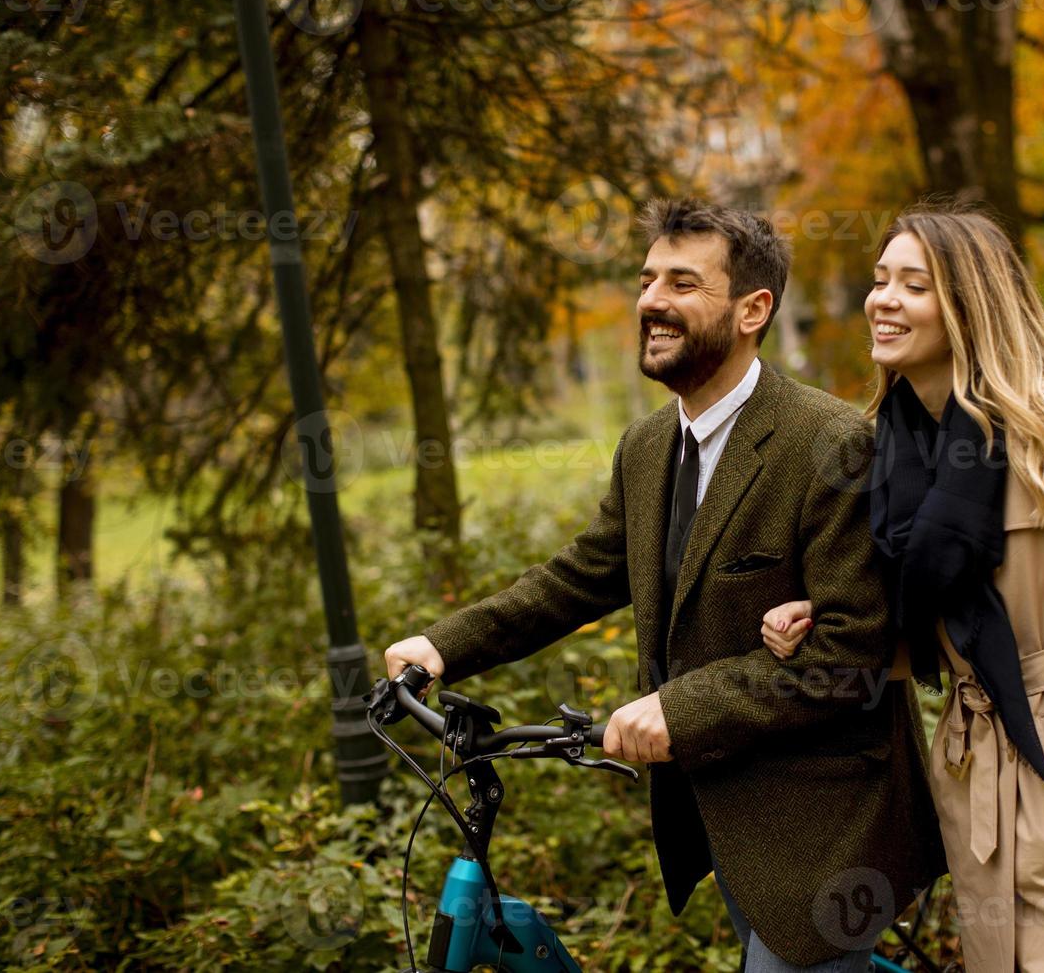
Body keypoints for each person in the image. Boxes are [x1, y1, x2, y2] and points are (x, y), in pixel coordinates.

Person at [384, 197, 946, 971]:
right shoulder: (648, 446)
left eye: (683, 284)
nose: (651, 301)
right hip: (724, 808)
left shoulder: (828, 441)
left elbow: (850, 657)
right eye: (648, 280)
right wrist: (443, 646)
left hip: (825, 824)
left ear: (753, 310)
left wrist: (676, 709)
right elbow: (581, 576)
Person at [761, 201, 1044, 971]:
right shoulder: (894, 446)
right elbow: (930, 619)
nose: (883, 300)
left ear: (970, 305)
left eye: (914, 285)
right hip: (974, 772)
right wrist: (825, 616)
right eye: (879, 280)